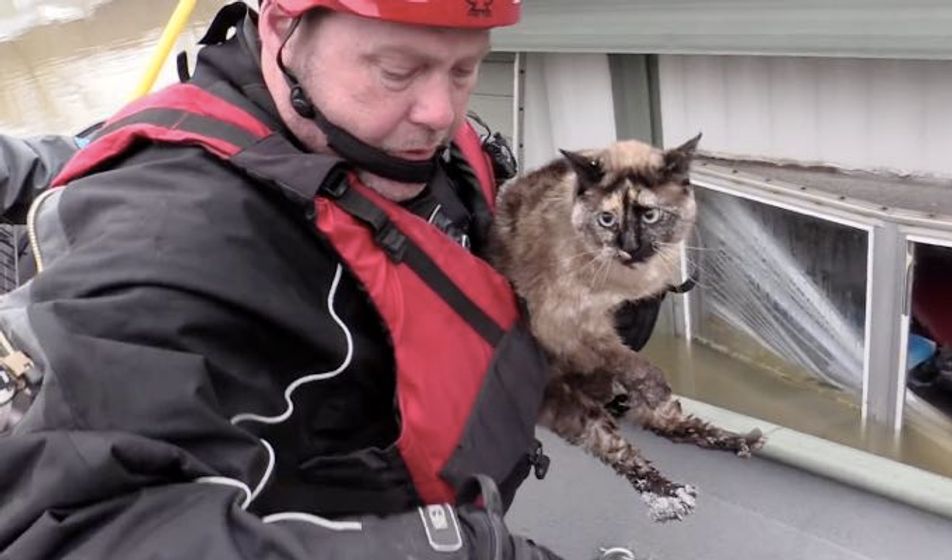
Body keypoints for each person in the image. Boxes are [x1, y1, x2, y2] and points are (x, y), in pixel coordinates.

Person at [0, 2, 660, 558]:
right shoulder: (161, 239)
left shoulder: (394, 137)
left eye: (466, 69)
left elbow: (458, 269)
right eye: (399, 70)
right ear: (281, 30)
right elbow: (67, 523)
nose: (439, 112)